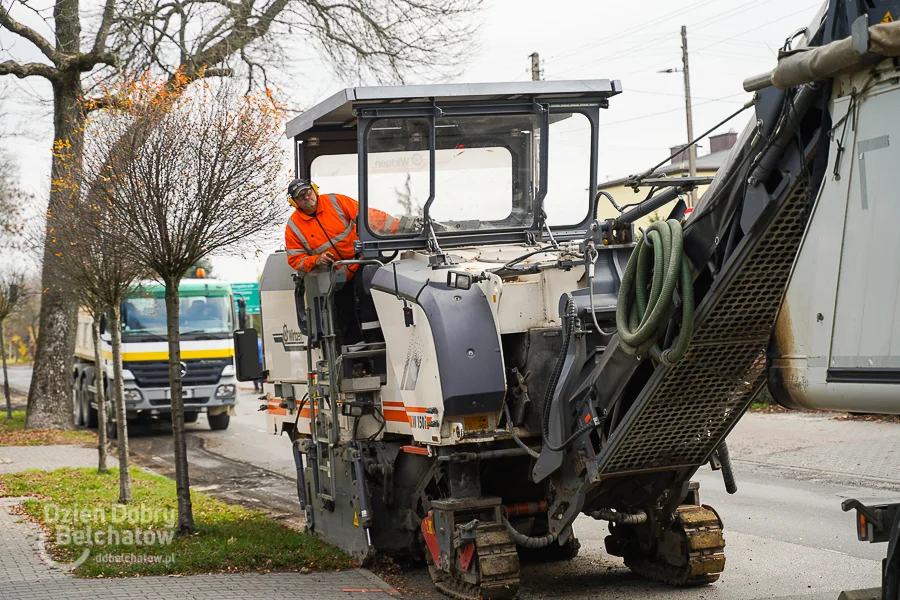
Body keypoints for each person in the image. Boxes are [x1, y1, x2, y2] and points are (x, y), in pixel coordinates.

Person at [284, 178, 397, 346]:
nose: (307, 197)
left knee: (367, 292)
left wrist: (399, 228)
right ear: (295, 202)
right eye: (301, 197)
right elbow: (295, 259)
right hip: (334, 273)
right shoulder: (294, 227)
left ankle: (376, 341)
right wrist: (317, 260)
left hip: (359, 261)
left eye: (307, 192)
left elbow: (370, 217)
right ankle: (358, 357)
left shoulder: (336, 202)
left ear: (314, 189)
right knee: (343, 312)